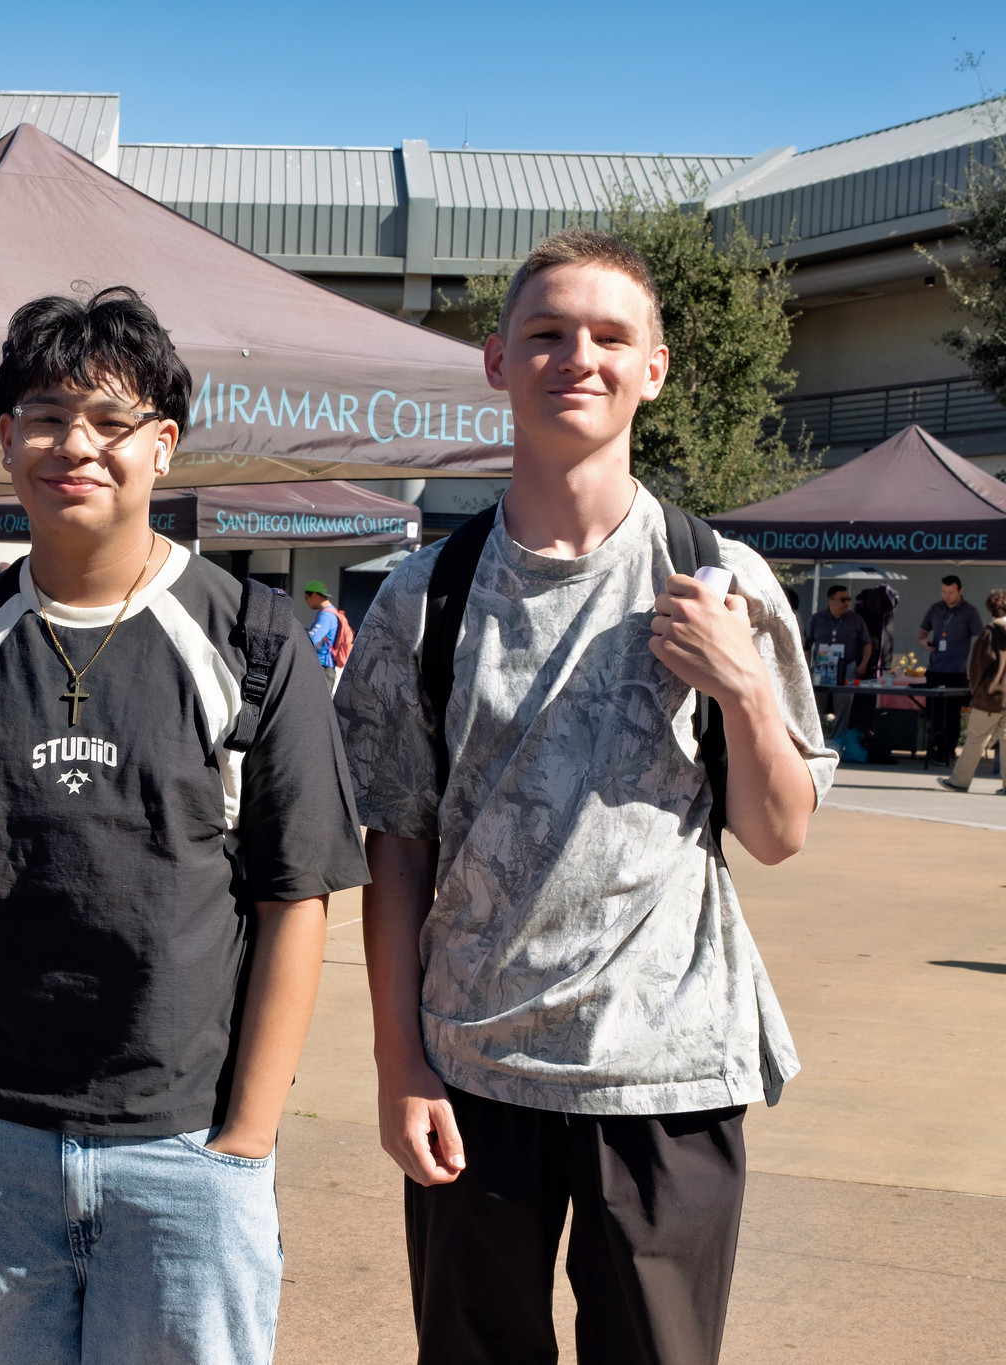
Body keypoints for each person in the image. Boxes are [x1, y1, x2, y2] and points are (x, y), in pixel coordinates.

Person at [334, 228, 832, 1364]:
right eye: (546, 334)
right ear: (496, 364)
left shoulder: (721, 580)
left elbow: (777, 834)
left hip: (665, 1074)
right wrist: (397, 1064)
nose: (579, 358)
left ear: (651, 368)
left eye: (611, 336)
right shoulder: (425, 597)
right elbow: (394, 849)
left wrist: (742, 684)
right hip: (471, 1072)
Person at [0, 286, 367, 1365]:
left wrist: (244, 1145)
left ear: (161, 446)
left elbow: (294, 905)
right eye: (44, 416)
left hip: (186, 1151)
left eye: (109, 421)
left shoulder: (255, 643)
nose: (72, 445)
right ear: (3, 439)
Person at [940, 588, 1006, 793]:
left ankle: (959, 781)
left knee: (976, 740)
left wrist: (975, 689)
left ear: (990, 608)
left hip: (991, 696)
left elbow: (978, 666)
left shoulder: (990, 632)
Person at [918, 575, 985, 763]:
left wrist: (975, 665)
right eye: (944, 592)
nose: (947, 596)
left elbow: (980, 638)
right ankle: (936, 746)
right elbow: (922, 633)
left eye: (951, 593)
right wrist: (925, 643)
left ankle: (948, 749)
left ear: (960, 591)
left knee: (952, 714)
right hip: (935, 669)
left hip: (956, 670)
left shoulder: (969, 611)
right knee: (933, 712)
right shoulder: (935, 608)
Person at [807, 583, 874, 739]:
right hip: (821, 668)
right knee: (815, 705)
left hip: (846, 667)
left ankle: (837, 741)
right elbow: (807, 644)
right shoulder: (817, 619)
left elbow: (867, 643)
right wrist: (807, 667)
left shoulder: (855, 620)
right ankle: (816, 739)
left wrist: (863, 664)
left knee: (843, 706)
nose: (846, 603)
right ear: (831, 600)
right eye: (842, 599)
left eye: (848, 599)